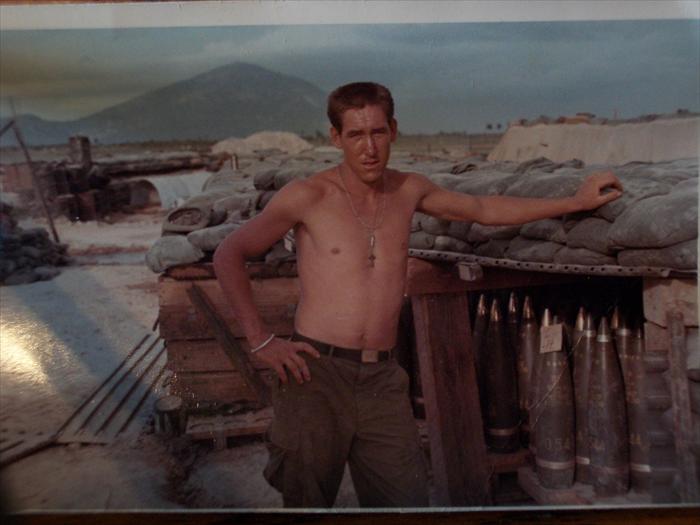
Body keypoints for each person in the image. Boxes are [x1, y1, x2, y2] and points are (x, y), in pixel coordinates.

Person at [212, 82, 623, 508]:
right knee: (308, 502)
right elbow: (230, 253)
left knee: (405, 501)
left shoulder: (408, 190)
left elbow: (483, 209)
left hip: (384, 379)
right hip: (316, 375)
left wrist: (573, 203)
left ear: (393, 130)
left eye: (377, 132)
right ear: (336, 138)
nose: (368, 147)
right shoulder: (308, 195)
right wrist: (260, 341)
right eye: (355, 135)